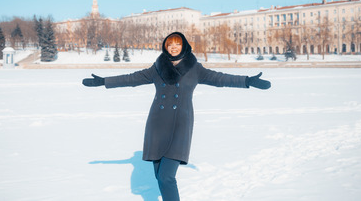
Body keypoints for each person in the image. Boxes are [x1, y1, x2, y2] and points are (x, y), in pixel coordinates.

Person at [82, 32, 271, 201]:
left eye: (177, 44)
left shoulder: (195, 69)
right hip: (156, 125)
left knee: (166, 177)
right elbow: (132, 78)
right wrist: (104, 81)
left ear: (184, 46)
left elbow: (220, 78)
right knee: (159, 177)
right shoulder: (157, 68)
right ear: (165, 47)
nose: (173, 47)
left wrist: (247, 81)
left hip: (181, 125)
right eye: (169, 44)